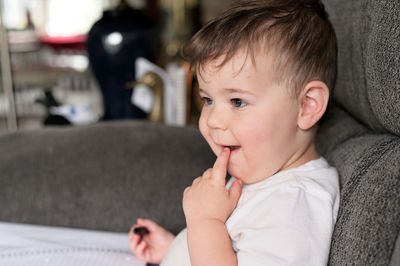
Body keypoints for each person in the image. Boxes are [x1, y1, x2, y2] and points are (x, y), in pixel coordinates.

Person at [129, 0, 340, 265]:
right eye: (207, 100)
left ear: (307, 106)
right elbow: (232, 248)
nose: (213, 120)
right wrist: (176, 248)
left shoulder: (294, 204)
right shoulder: (264, 176)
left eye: (237, 102)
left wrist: (204, 221)